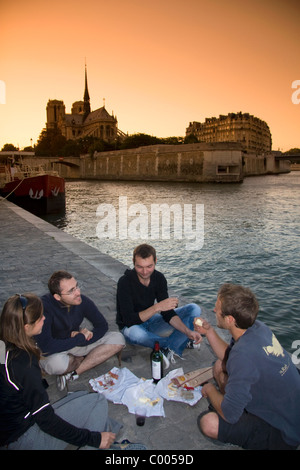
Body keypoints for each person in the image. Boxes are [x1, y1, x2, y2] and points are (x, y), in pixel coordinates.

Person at [0, 293, 120, 450]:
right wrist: (93, 439)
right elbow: (46, 420)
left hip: (11, 427)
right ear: (26, 327)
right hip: (23, 438)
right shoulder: (24, 362)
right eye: (40, 317)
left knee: (82, 396)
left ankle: (107, 432)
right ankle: (100, 441)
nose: (44, 318)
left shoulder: (6, 344)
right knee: (97, 400)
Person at [194, 283, 300, 450]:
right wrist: (208, 332)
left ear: (230, 319)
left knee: (209, 423)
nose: (214, 310)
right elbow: (229, 358)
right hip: (291, 409)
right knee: (219, 367)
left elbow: (230, 414)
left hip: (284, 434)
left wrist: (209, 389)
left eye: (217, 307)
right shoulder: (257, 328)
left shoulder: (244, 355)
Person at [37, 270, 125, 391]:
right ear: (57, 296)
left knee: (118, 339)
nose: (78, 292)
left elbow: (102, 325)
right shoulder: (44, 308)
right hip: (55, 349)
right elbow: (46, 346)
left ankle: (74, 373)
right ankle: (81, 359)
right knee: (56, 365)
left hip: (76, 343)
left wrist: (84, 340)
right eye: (71, 291)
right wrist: (79, 337)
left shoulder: (82, 301)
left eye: (77, 286)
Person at [116, 244, 202, 365]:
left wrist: (188, 331)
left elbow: (167, 314)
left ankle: (176, 343)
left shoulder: (159, 278)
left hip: (152, 321)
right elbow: (129, 320)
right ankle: (175, 344)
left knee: (194, 308)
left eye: (149, 266)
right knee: (138, 334)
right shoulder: (124, 282)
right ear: (133, 262)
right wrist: (157, 307)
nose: (145, 271)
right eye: (139, 267)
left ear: (155, 261)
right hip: (131, 327)